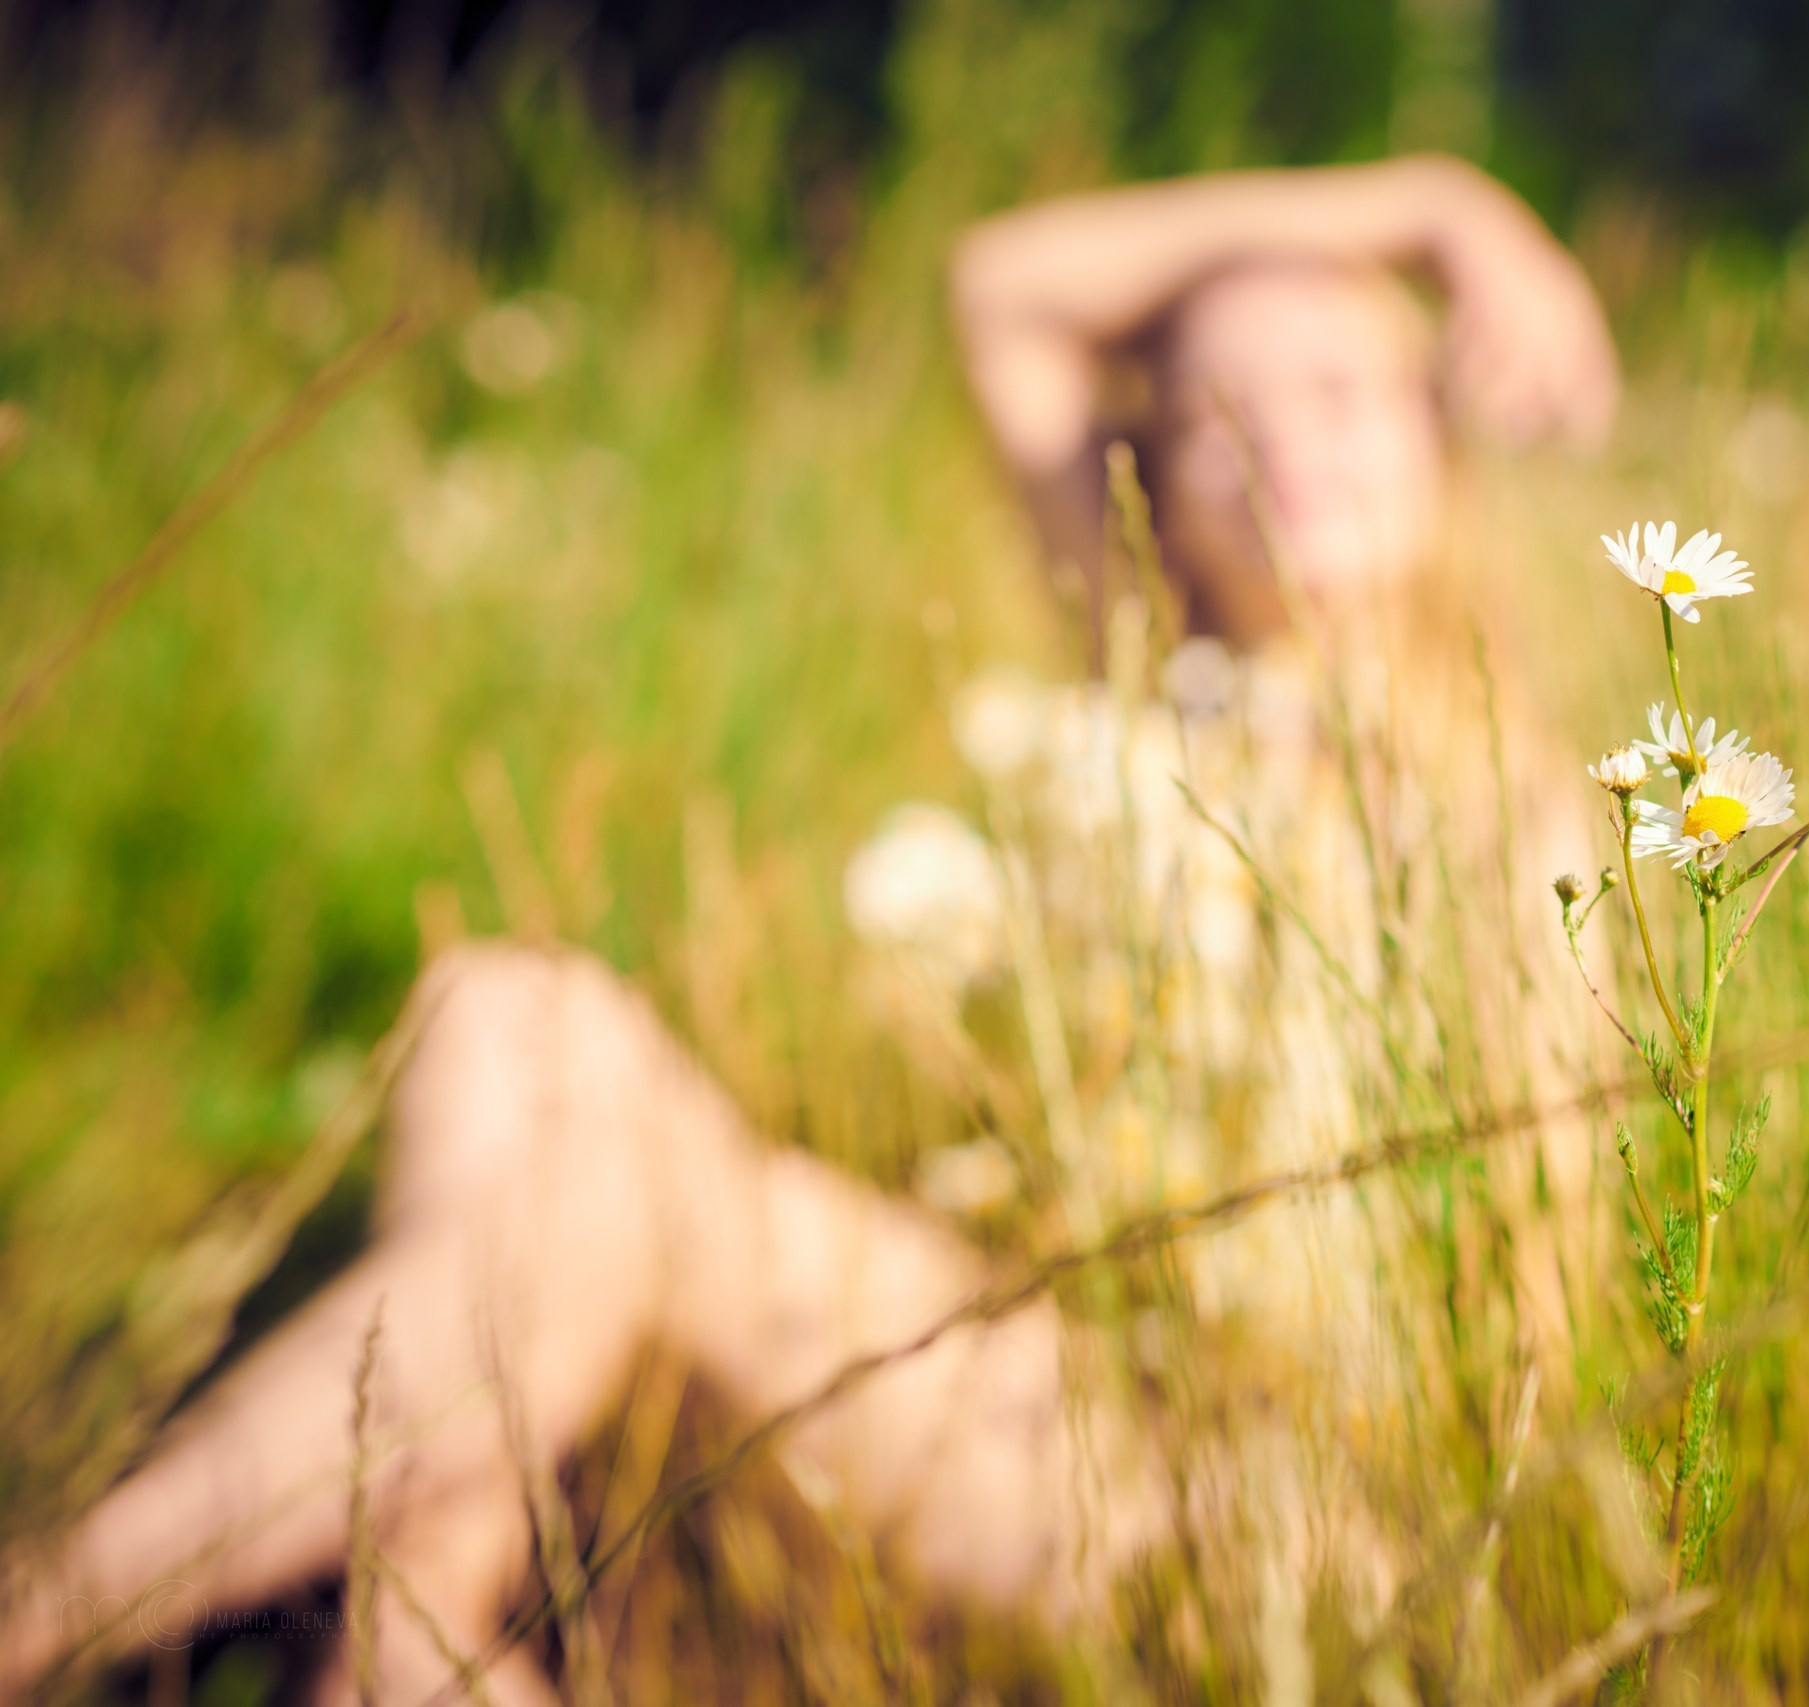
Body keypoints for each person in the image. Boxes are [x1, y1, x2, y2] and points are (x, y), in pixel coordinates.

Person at [0, 155, 1618, 1704]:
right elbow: (1010, 284)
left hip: (1234, 1496)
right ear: (1158, 490)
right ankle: (405, 1644)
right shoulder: (1152, 676)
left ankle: (64, 1621)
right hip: (1008, 1353)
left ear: (1439, 429)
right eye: (1214, 413)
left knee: (588, 1167)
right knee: (520, 1012)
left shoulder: (1517, 821)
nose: (1276, 444)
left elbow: (1508, 1339)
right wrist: (1435, 203)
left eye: (1336, 392)